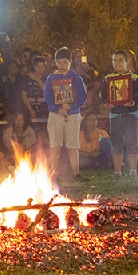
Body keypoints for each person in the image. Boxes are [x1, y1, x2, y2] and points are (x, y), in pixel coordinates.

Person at [43, 47, 88, 181]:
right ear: (55, 62)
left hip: (73, 114)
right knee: (55, 145)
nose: (62, 66)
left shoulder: (75, 77)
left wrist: (72, 106)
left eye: (65, 62)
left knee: (73, 145)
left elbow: (82, 96)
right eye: (60, 62)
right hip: (56, 114)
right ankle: (53, 174)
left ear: (70, 62)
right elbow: (48, 96)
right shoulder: (51, 78)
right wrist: (58, 109)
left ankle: (76, 173)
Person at [100, 49, 138, 178]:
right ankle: (117, 171)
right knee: (116, 142)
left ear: (127, 62)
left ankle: (132, 171)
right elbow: (103, 95)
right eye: (115, 60)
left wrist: (133, 102)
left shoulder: (135, 78)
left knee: (132, 141)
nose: (118, 63)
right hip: (115, 114)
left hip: (131, 113)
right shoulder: (108, 79)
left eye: (121, 60)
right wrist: (107, 103)